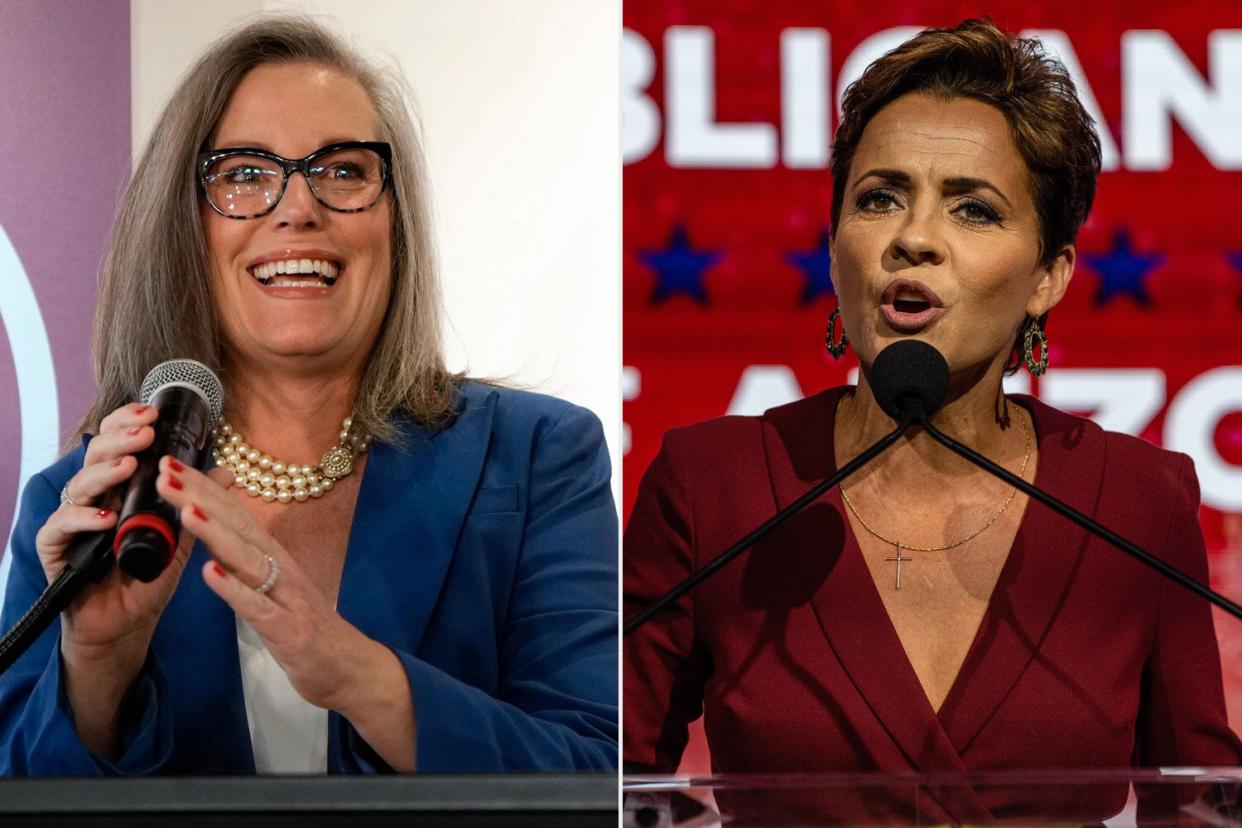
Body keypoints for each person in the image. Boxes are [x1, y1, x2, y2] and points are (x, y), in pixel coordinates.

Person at [623, 18, 1240, 823]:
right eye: (879, 198)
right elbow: (612, 782)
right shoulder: (715, 489)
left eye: (973, 210)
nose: (913, 239)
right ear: (837, 239)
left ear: (1049, 275)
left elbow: (1201, 807)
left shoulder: (1136, 503)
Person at [0, 17, 616, 775]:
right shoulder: (83, 505)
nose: (297, 209)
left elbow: (599, 773)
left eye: (344, 170)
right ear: (184, 226)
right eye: (246, 173)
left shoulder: (534, 458)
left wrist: (353, 671)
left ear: (395, 222)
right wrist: (98, 662)